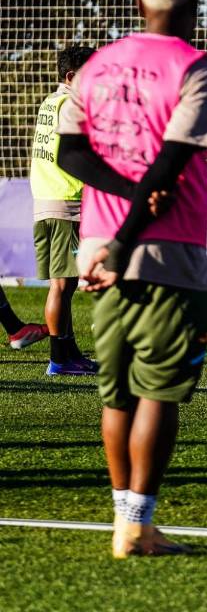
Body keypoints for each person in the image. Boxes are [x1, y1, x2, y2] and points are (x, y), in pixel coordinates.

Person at [56, 0, 207, 558]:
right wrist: (132, 227)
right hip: (165, 252)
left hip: (98, 248)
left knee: (116, 392)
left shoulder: (95, 67)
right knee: (159, 391)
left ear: (137, 6)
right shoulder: (196, 69)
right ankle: (139, 527)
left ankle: (121, 521)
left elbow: (71, 154)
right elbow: (170, 165)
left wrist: (111, 232)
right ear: (194, 10)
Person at [30, 45, 100, 376]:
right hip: (66, 202)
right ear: (71, 77)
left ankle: (69, 353)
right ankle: (59, 360)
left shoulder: (50, 102)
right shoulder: (72, 105)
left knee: (66, 284)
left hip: (46, 200)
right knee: (62, 285)